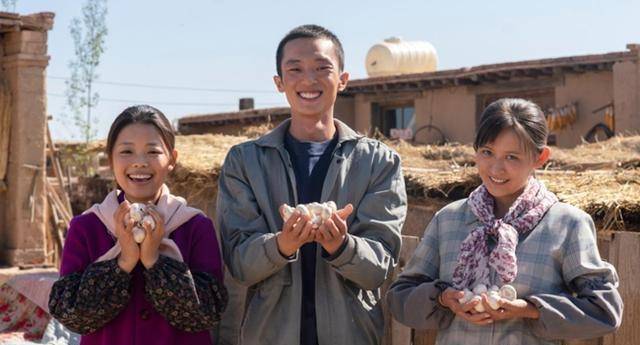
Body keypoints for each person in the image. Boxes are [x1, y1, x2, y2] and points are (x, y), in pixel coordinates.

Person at [216, 24, 407, 345]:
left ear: (343, 80)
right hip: (268, 335)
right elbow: (239, 265)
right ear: (279, 82)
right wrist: (282, 244)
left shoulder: (379, 162)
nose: (308, 79)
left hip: (353, 335)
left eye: (322, 68)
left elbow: (380, 269)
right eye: (295, 69)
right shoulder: (244, 162)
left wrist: (343, 246)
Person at [386, 98, 623, 344]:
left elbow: (604, 311)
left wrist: (529, 309)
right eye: (487, 152)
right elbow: (400, 298)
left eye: (512, 157)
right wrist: (444, 299)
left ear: (540, 157)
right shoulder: (448, 220)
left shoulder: (567, 225)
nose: (496, 169)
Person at [49, 105, 228, 345]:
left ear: (172, 160)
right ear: (110, 158)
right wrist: (123, 262)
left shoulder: (195, 226)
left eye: (153, 151)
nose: (139, 162)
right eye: (126, 151)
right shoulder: (87, 228)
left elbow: (208, 312)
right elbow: (71, 315)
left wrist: (155, 260)